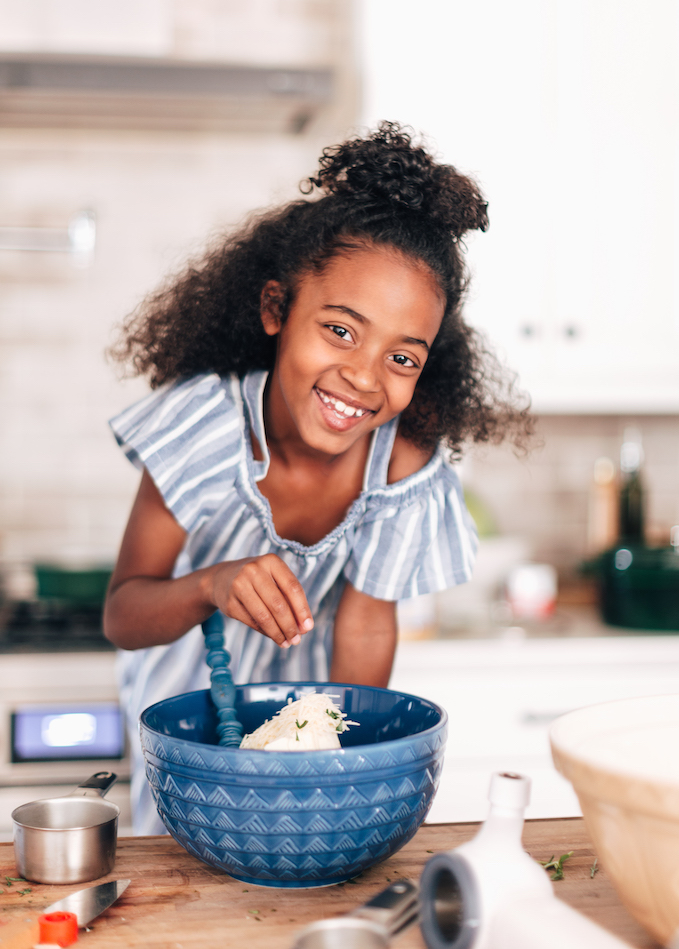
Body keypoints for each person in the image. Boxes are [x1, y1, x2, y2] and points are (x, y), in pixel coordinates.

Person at [104, 122, 530, 832]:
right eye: (340, 330)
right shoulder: (203, 429)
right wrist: (212, 584)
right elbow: (124, 614)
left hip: (312, 725)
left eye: (403, 357)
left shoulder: (401, 462)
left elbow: (365, 622)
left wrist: (341, 770)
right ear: (277, 309)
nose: (363, 378)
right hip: (187, 739)